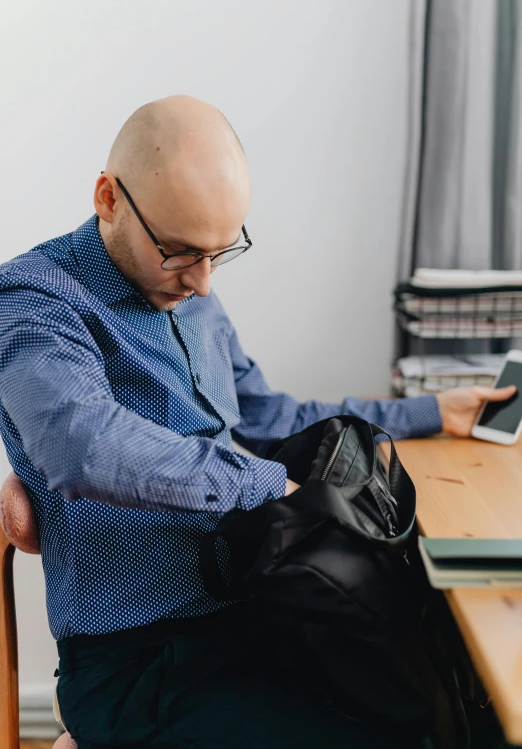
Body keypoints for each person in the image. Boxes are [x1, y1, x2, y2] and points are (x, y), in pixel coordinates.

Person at [0, 95, 514, 749]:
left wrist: (434, 410)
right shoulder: (35, 303)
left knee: (463, 710)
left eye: (222, 251)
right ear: (108, 197)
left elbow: (270, 415)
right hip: (141, 664)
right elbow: (86, 448)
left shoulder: (189, 287)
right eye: (183, 252)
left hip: (256, 615)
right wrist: (266, 485)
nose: (206, 283)